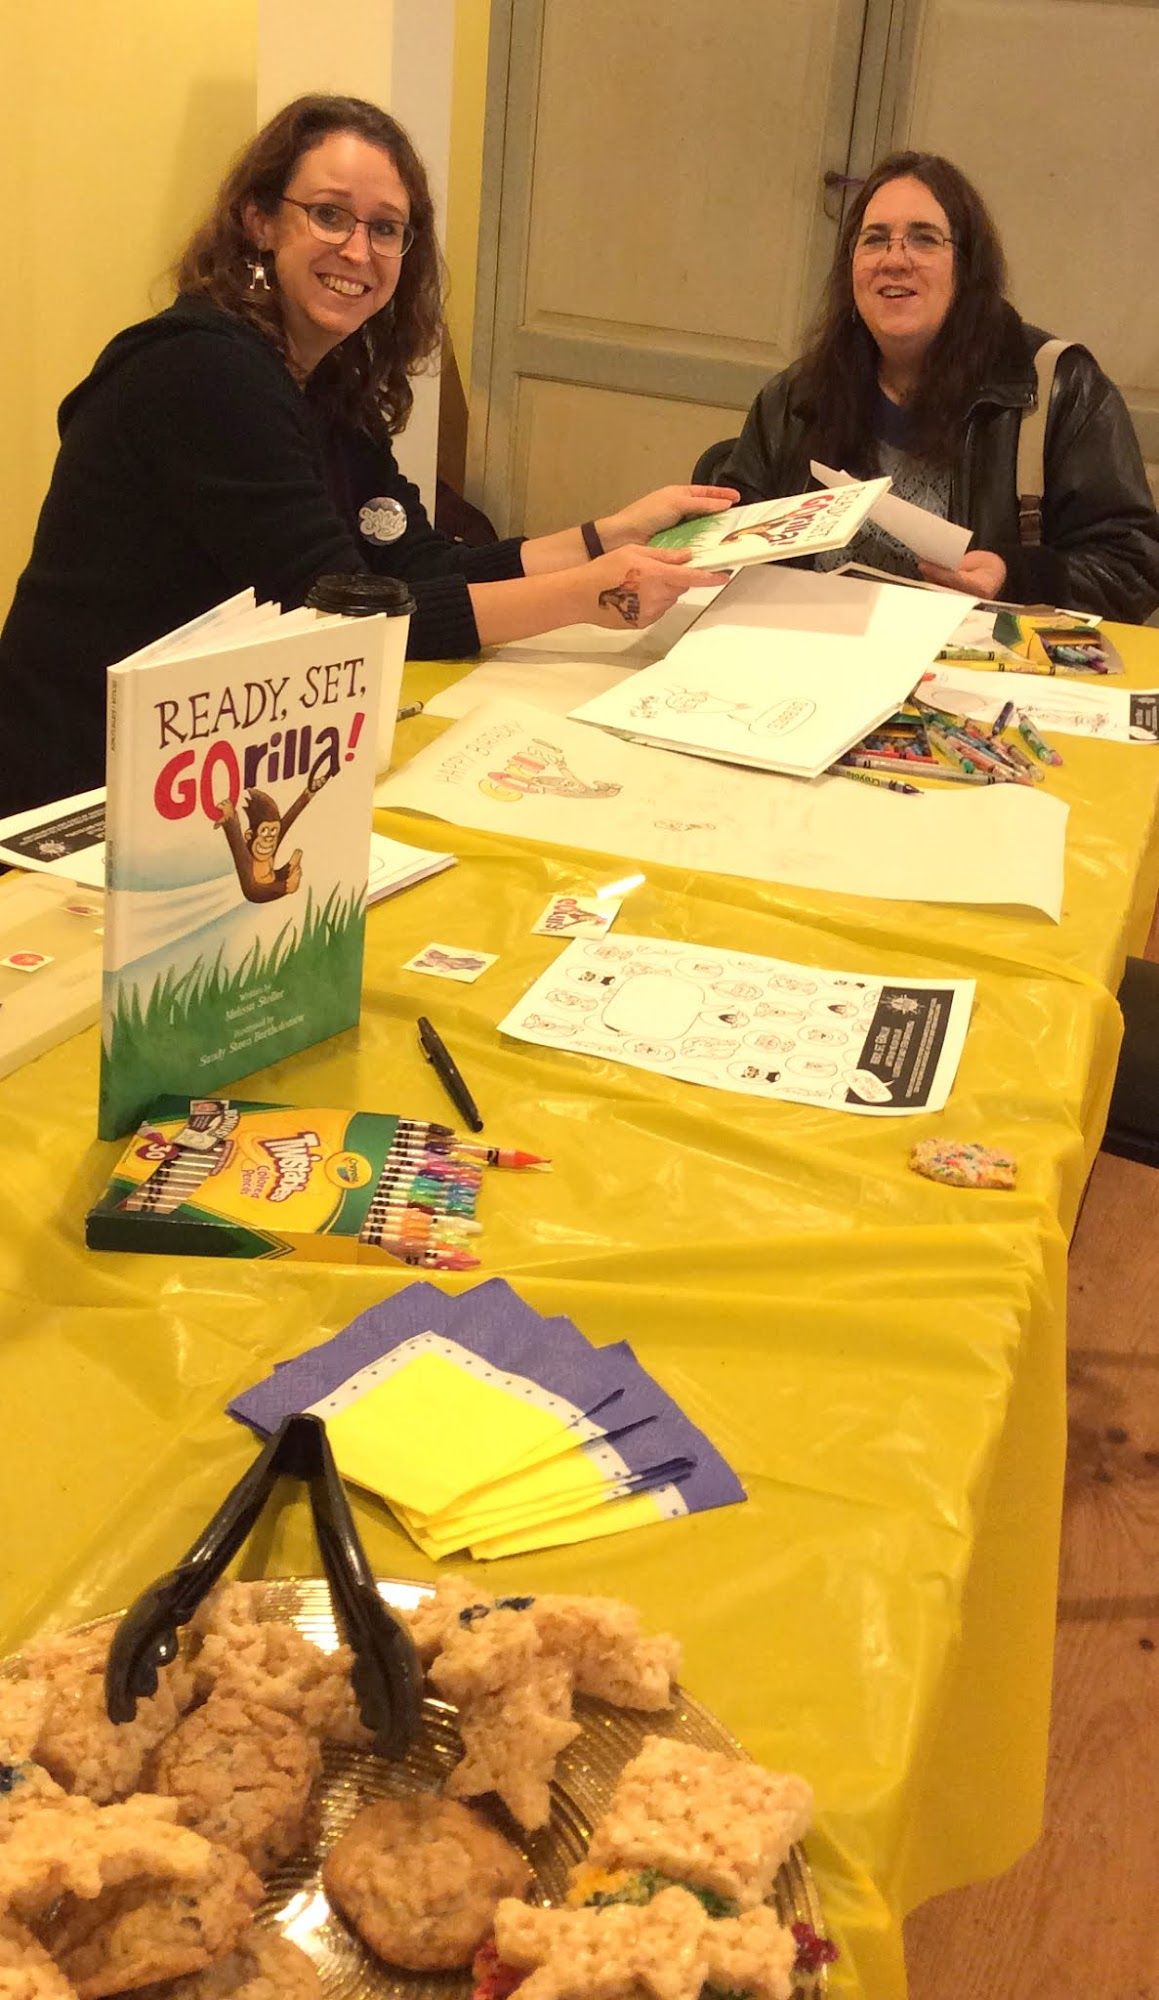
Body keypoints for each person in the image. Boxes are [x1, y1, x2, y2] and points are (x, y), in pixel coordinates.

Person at [0, 94, 734, 814]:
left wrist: (605, 537)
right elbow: (341, 615)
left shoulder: (324, 381)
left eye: (385, 228)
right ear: (259, 221)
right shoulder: (202, 372)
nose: (358, 251)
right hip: (83, 785)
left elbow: (410, 565)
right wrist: (587, 595)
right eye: (329, 214)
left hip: (206, 762)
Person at [707, 151, 1159, 623]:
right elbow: (730, 551)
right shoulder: (796, 397)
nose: (894, 260)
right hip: (812, 653)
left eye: (924, 239)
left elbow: (1133, 566)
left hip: (974, 662)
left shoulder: (1059, 387)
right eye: (874, 240)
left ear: (966, 267)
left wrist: (1014, 576)